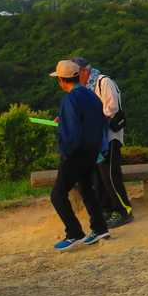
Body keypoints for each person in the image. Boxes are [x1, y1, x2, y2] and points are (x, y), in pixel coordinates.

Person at [48, 59, 111, 251]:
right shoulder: (90, 95)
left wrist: (66, 153)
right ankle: (100, 228)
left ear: (61, 80)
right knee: (86, 189)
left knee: (57, 194)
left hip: (76, 153)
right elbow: (99, 121)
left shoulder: (70, 99)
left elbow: (72, 132)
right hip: (92, 151)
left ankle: (74, 233)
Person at [74, 57, 132, 228]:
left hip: (109, 137)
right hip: (94, 139)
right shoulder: (82, 88)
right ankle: (106, 209)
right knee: (97, 177)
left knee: (110, 176)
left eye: (75, 74)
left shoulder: (103, 82)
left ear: (84, 71)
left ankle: (124, 210)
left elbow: (112, 108)